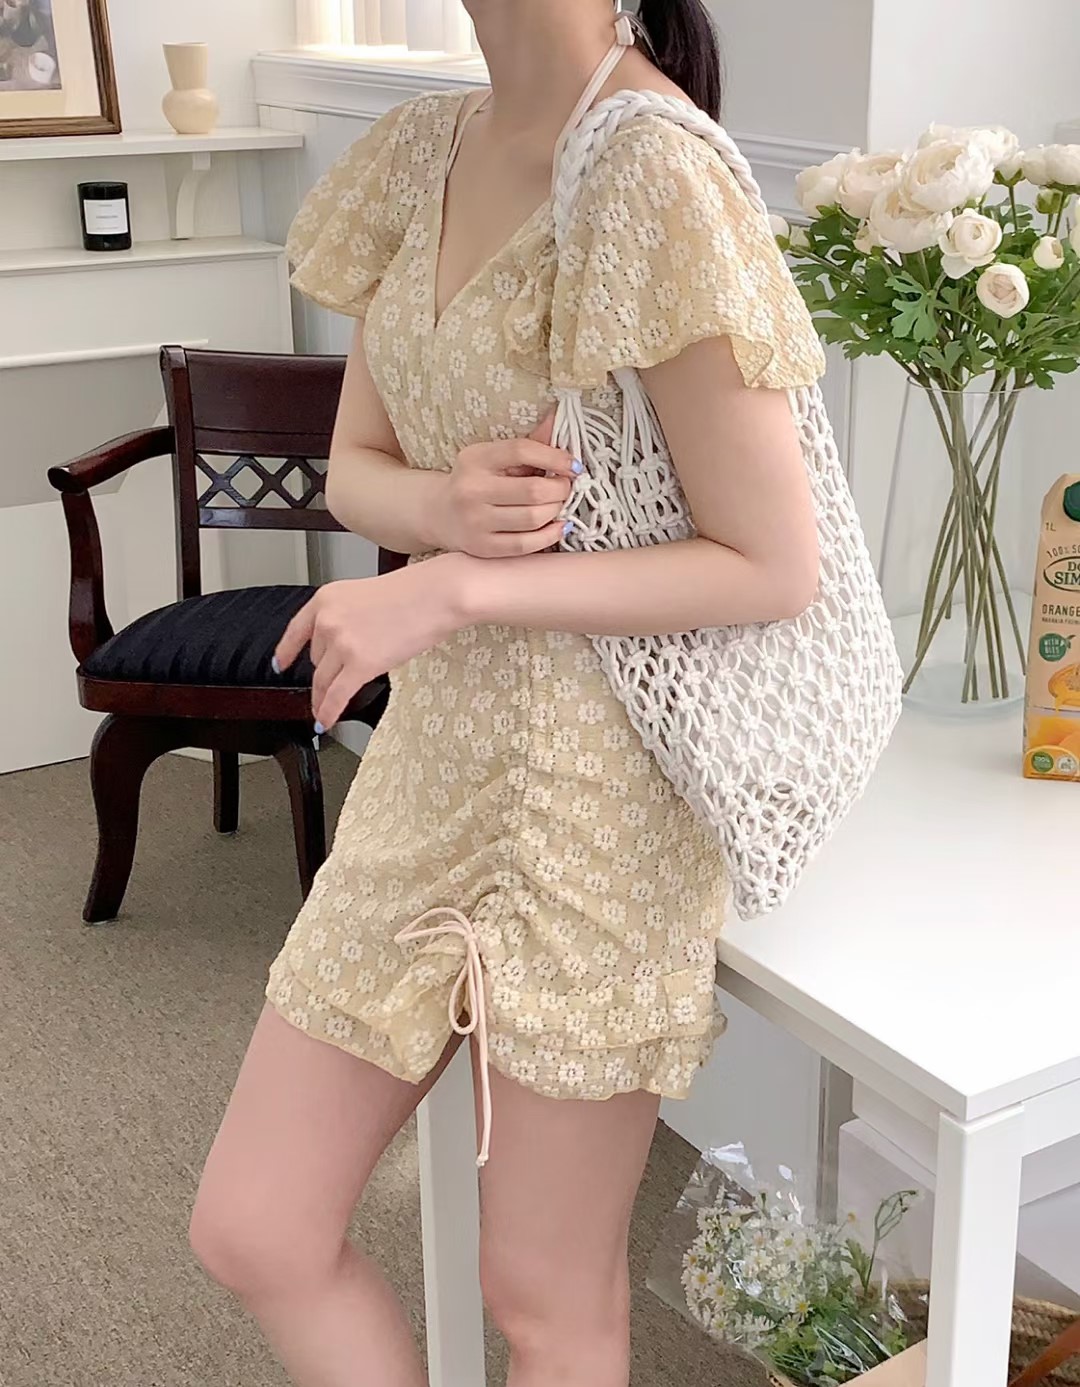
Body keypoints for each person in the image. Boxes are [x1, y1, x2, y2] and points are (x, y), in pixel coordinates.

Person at [190, 1, 825, 1384]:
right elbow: (354, 467)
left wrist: (453, 587)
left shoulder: (654, 168)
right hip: (436, 758)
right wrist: (443, 511)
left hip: (603, 801)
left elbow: (774, 564)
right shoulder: (422, 147)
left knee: (542, 1298)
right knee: (255, 1224)